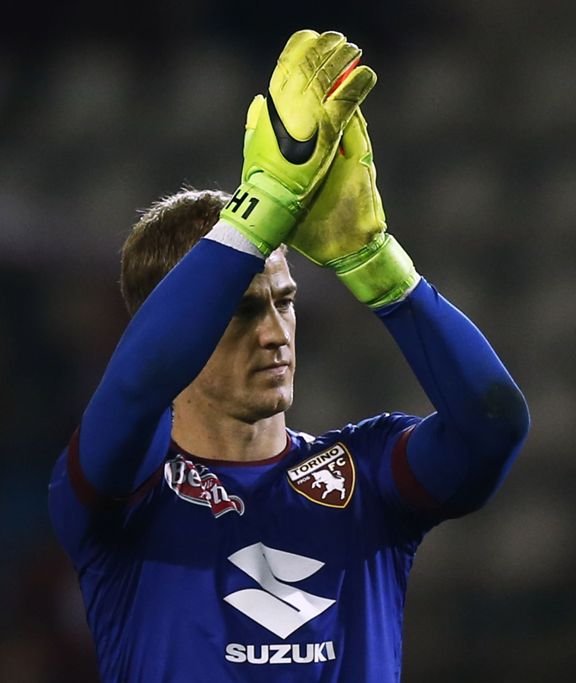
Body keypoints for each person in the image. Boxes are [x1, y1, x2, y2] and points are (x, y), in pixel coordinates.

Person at [47, 29, 529, 682]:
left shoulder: (369, 478)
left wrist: (378, 266)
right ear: (179, 320)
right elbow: (137, 385)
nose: (276, 332)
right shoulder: (130, 488)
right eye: (245, 309)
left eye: (285, 300)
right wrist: (261, 211)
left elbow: (495, 424)